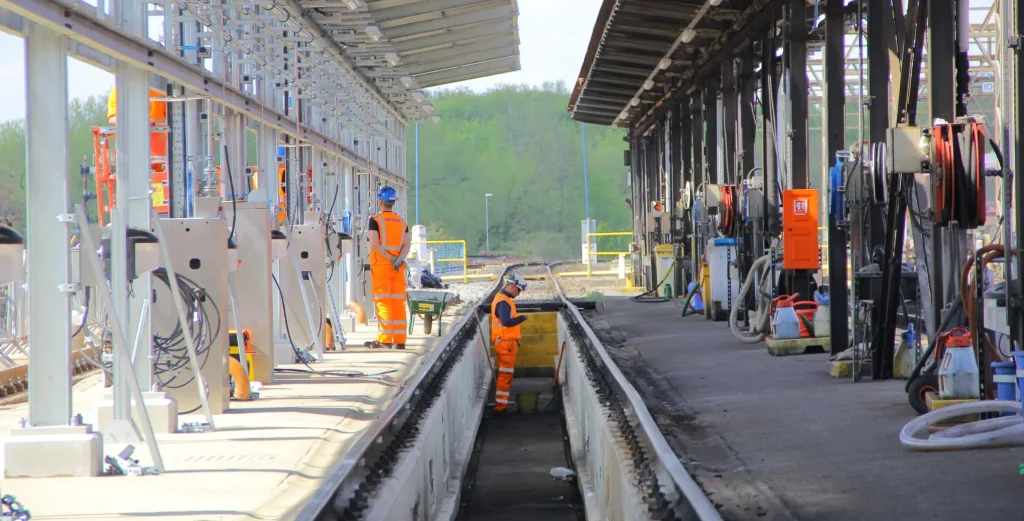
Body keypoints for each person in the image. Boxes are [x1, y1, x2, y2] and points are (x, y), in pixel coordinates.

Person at [365, 186, 410, 350]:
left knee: (383, 301)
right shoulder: (402, 222)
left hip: (382, 266)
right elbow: (406, 245)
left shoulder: (375, 220)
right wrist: (398, 259)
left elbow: (375, 244)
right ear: (393, 202)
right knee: (398, 302)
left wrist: (390, 258)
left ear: (380, 202)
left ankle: (384, 340)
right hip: (398, 267)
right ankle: (399, 341)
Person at [490, 273, 528, 414]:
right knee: (505, 375)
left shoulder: (503, 299)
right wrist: (521, 319)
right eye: (518, 290)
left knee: (505, 374)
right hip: (506, 344)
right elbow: (506, 322)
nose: (518, 294)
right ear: (512, 286)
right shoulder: (503, 301)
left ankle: (502, 404)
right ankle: (500, 406)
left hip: (505, 343)